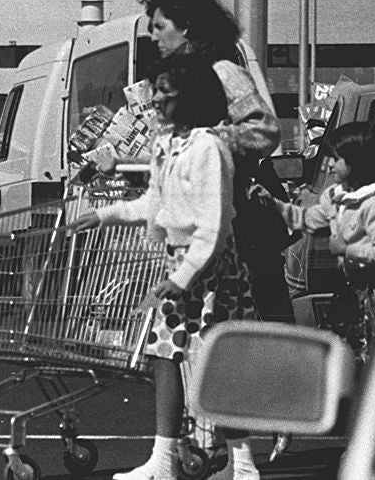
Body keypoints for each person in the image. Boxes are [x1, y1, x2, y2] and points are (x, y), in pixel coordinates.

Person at [66, 54, 258, 480]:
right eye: (157, 90)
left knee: (214, 364)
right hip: (181, 259)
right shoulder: (167, 143)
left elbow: (213, 223)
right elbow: (155, 202)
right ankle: (165, 460)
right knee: (164, 355)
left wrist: (182, 277)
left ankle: (241, 463)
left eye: (168, 91)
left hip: (209, 267)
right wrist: (104, 215)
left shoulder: (208, 147)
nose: (158, 98)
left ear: (192, 97)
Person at [143, 0, 291, 324]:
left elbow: (264, 130)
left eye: (159, 26)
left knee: (255, 326)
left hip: (238, 222)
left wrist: (208, 138)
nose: (152, 36)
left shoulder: (222, 72)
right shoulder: (177, 79)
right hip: (199, 224)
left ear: (187, 27)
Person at [259, 121, 375, 363]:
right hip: (355, 289)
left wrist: (347, 248)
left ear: (357, 164)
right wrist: (274, 204)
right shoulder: (336, 197)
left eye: (337, 159)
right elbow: (307, 220)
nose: (329, 165)